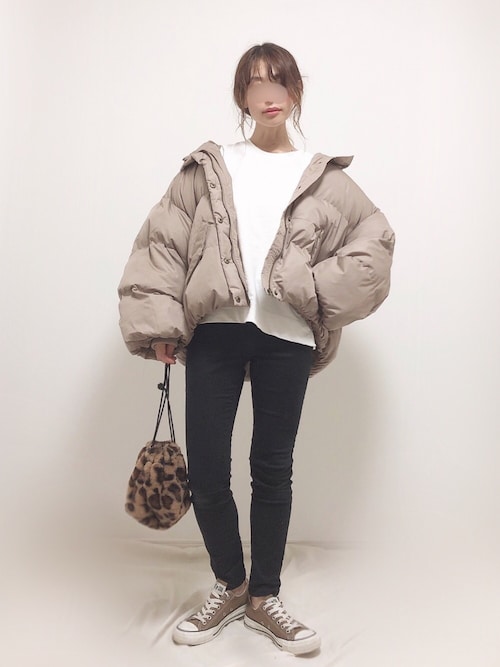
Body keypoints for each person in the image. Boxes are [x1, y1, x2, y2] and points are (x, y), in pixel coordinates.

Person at [118, 42, 394, 656]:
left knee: (272, 469)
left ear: (296, 92)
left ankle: (265, 596)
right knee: (208, 469)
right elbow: (162, 243)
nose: (269, 94)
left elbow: (375, 242)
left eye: (280, 81)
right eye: (255, 83)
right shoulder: (209, 167)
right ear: (241, 95)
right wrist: (161, 323)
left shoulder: (323, 177)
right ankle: (231, 584)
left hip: (286, 336)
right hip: (215, 332)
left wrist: (312, 290)